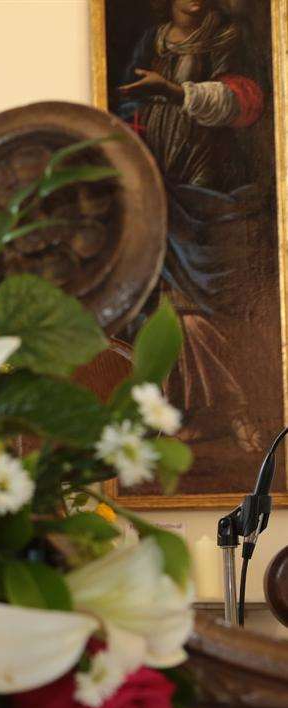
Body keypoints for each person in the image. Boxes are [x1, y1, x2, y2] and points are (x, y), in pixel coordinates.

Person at [114, 0, 273, 459]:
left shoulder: (227, 39)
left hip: (211, 184)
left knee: (204, 303)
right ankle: (186, 412)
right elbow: (127, 105)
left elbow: (247, 103)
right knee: (169, 304)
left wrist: (177, 92)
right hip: (161, 182)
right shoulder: (153, 40)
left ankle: (236, 406)